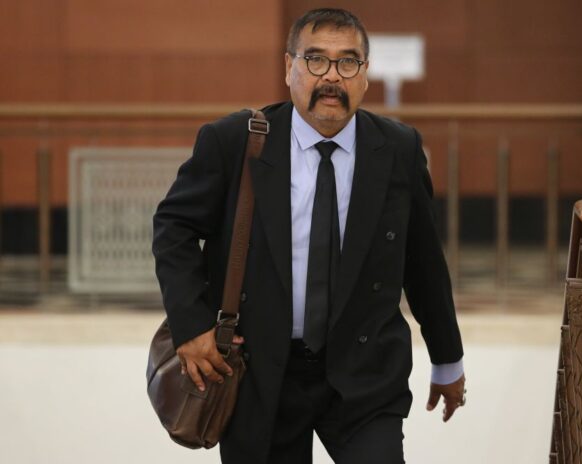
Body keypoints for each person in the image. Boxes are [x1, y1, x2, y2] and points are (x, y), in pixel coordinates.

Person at [153, 8, 465, 464]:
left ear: (365, 74)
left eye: (348, 62)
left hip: (364, 375)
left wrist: (448, 359)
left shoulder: (398, 149)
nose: (331, 77)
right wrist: (192, 326)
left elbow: (423, 262)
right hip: (259, 373)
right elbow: (173, 227)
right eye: (316, 60)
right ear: (289, 68)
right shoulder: (235, 142)